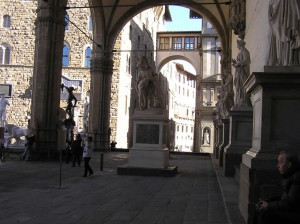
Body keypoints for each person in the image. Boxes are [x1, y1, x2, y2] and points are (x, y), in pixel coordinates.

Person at [256, 151, 300, 224]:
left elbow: (291, 204)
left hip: (294, 215)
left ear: (289, 164)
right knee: (260, 207)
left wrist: (269, 205)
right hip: (288, 210)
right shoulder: (290, 175)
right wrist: (268, 201)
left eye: (280, 162)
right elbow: (286, 198)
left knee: (264, 212)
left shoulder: (297, 179)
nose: (277, 165)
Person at [267, 0, 300, 66]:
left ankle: (287, 60)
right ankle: (285, 60)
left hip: (285, 28)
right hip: (281, 29)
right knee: (282, 42)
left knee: (286, 40)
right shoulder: (273, 2)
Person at [232, 39, 251, 107]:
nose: (237, 47)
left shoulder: (245, 51)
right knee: (238, 88)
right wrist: (235, 64)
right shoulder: (240, 53)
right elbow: (238, 64)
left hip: (242, 73)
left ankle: (243, 102)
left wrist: (238, 63)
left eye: (237, 45)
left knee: (242, 87)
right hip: (239, 73)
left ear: (240, 44)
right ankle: (238, 102)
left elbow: (247, 61)